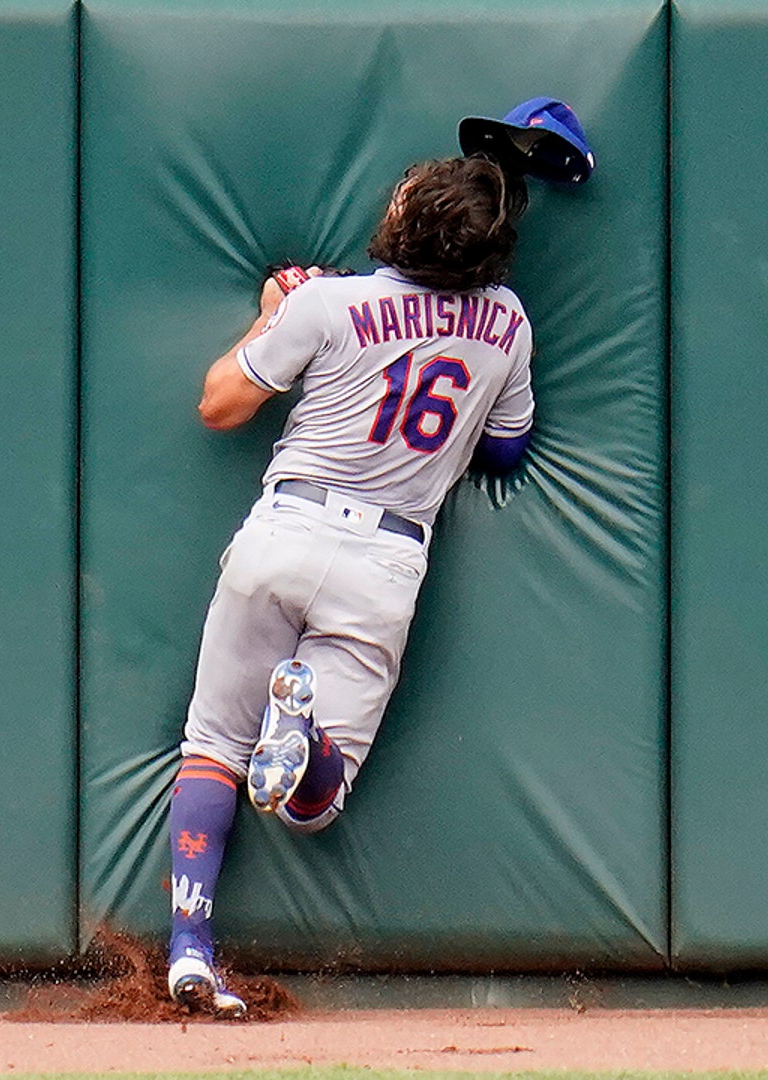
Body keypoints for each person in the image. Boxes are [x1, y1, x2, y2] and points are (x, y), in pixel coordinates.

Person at [164, 155, 536, 1017]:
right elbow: (507, 449)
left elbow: (219, 403)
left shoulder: (323, 303)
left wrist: (273, 318)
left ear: (406, 219)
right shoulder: (509, 323)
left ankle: (189, 949)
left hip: (286, 529)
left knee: (214, 743)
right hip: (387, 559)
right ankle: (305, 738)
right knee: (310, 808)